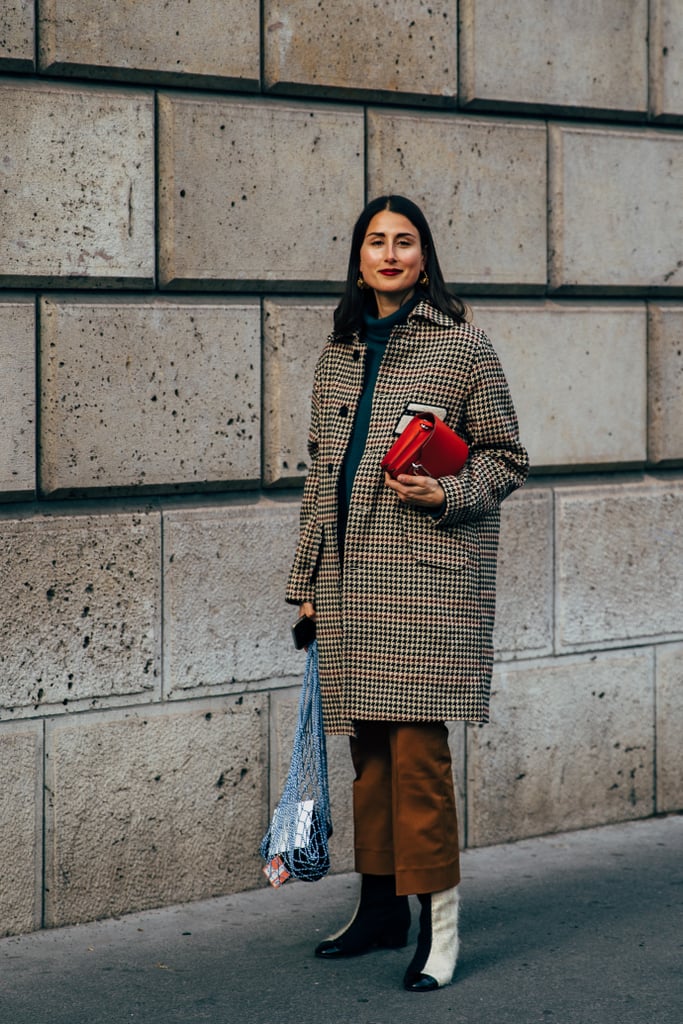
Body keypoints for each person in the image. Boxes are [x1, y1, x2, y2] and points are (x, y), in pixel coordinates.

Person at [286, 195, 529, 992]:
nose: (388, 253)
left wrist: (447, 493)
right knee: (367, 761)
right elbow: (322, 479)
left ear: (424, 258)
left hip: (424, 586)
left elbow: (506, 458)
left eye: (404, 241)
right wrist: (307, 586)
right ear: (358, 257)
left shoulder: (463, 347)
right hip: (351, 585)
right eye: (374, 241)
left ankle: (441, 926)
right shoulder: (340, 351)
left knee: (416, 759)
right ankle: (381, 909)